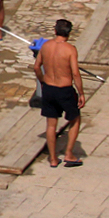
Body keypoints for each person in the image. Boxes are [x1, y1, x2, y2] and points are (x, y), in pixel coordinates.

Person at [34, 18, 86, 167]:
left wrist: (43, 81)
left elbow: (37, 67)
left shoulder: (46, 46)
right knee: (75, 119)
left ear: (55, 30)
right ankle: (69, 154)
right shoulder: (70, 49)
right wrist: (81, 93)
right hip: (65, 89)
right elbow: (75, 74)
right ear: (69, 34)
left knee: (51, 124)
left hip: (49, 88)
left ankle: (53, 158)